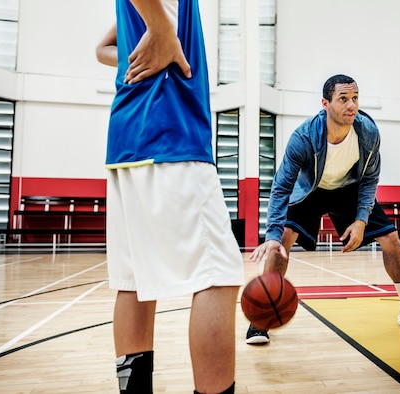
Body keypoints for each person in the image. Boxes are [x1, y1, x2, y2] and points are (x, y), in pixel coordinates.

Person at [96, 1, 244, 393]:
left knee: (135, 283)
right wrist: (161, 27)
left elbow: (101, 48)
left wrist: (152, 33)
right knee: (219, 276)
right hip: (170, 132)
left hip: (126, 142)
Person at [248, 74, 400, 345]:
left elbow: (370, 178)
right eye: (343, 99)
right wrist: (271, 234)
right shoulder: (304, 137)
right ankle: (261, 318)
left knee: (390, 238)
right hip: (311, 189)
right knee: (282, 241)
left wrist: (362, 220)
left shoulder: (368, 132)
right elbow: (282, 186)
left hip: (348, 188)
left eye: (355, 98)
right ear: (325, 103)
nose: (351, 105)